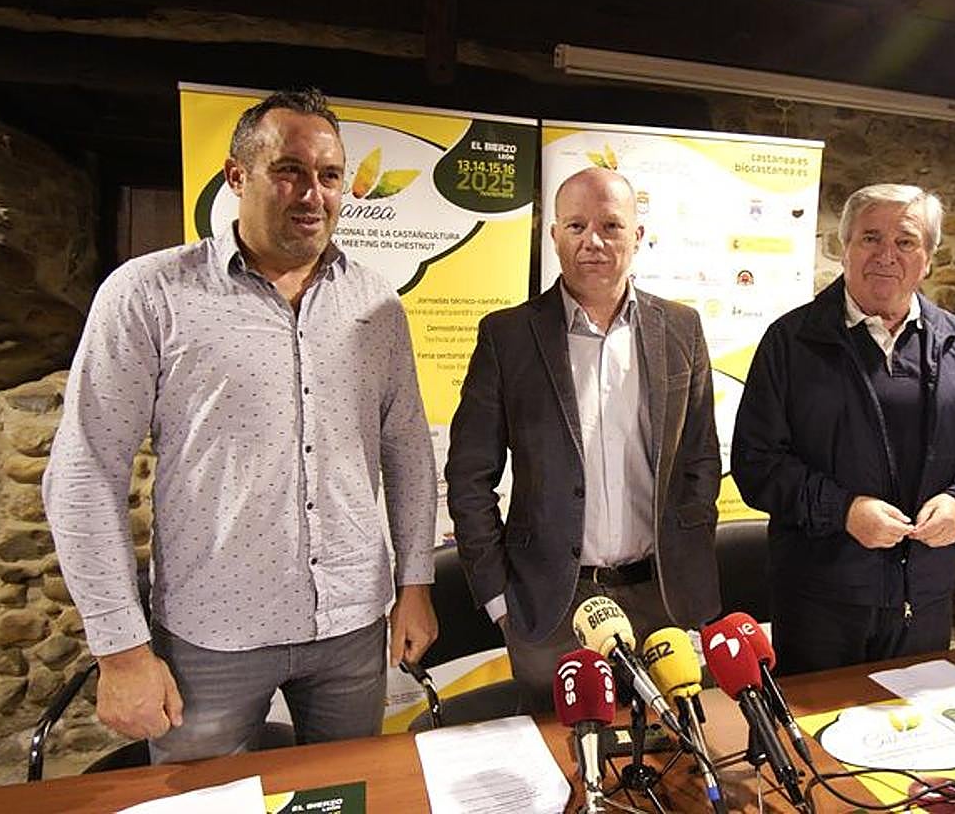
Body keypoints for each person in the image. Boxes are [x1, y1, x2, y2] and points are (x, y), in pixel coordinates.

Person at [42, 89, 438, 762]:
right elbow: (84, 473)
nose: (313, 192)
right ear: (237, 176)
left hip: (349, 629)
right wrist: (121, 649)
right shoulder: (150, 294)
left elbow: (406, 451)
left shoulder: (374, 303)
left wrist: (416, 584)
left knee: (343, 801)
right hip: (210, 638)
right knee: (204, 808)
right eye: (289, 170)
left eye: (330, 175)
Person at [445, 167, 722, 709]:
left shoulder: (681, 328)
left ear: (638, 237)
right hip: (550, 607)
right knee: (563, 766)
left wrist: (689, 562)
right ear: (554, 237)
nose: (592, 241)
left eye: (610, 225)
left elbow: (700, 457)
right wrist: (501, 597)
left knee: (674, 760)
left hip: (664, 599)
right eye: (575, 226)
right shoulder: (508, 336)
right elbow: (468, 475)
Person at [731, 183, 955, 675]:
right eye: (870, 238)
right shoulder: (790, 342)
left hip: (925, 599)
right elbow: (757, 462)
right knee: (815, 741)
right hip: (820, 600)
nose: (886, 254)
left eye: (905, 241)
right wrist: (844, 510)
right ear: (844, 249)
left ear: (927, 257)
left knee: (917, 738)